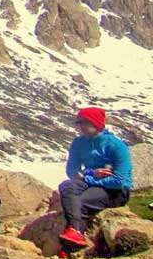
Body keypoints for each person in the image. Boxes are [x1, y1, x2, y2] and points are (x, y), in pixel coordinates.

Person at [57, 107, 133, 250]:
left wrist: (87, 177)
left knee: (81, 200)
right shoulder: (78, 143)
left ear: (96, 123)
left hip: (116, 191)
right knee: (66, 186)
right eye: (78, 123)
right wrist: (92, 174)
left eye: (84, 122)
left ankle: (72, 240)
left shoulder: (116, 146)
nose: (80, 127)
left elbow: (118, 181)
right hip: (93, 182)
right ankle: (75, 233)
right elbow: (72, 171)